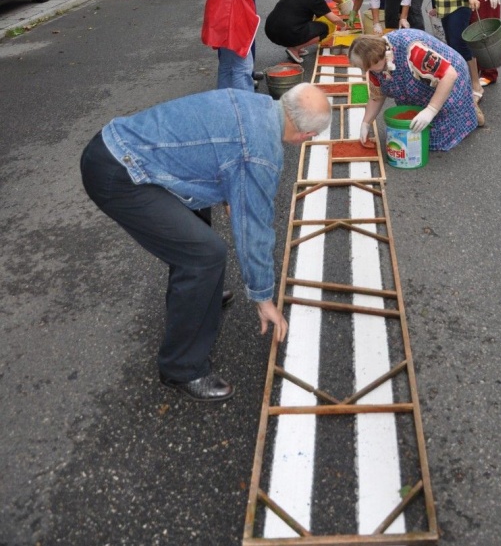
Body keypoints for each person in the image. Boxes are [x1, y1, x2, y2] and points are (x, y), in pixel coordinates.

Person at [80, 84, 331, 403]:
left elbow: (217, 151)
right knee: (204, 254)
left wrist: (233, 192)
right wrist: (263, 298)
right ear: (305, 135)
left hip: (114, 145)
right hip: (121, 175)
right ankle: (181, 367)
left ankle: (200, 295)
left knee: (196, 225)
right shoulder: (260, 152)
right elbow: (254, 228)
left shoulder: (255, 103)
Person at [349, 31, 483, 151]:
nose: (367, 71)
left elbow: (449, 75)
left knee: (435, 135)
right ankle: (465, 106)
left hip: (451, 75)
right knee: (416, 127)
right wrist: (366, 123)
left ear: (378, 58)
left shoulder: (413, 51)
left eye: (368, 67)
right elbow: (377, 96)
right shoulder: (375, 65)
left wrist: (431, 110)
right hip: (423, 83)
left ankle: (469, 108)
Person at [264, 0, 346, 63]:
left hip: (270, 31)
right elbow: (334, 19)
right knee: (324, 28)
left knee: (300, 22)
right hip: (288, 32)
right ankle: (295, 48)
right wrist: (343, 25)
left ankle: (296, 46)